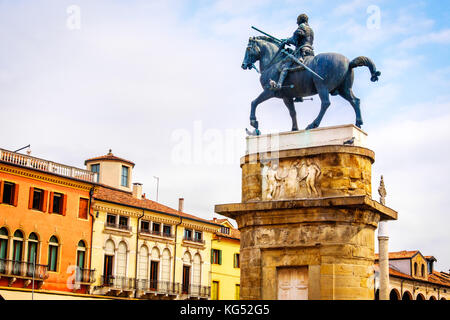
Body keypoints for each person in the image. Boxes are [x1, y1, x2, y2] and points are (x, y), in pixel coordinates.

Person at [270, 13, 315, 90]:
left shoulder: (302, 27)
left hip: (301, 52)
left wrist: (286, 41)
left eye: (297, 21)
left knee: (285, 67)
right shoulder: (311, 30)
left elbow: (294, 40)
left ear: (300, 20)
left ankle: (279, 85)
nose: (297, 23)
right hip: (310, 51)